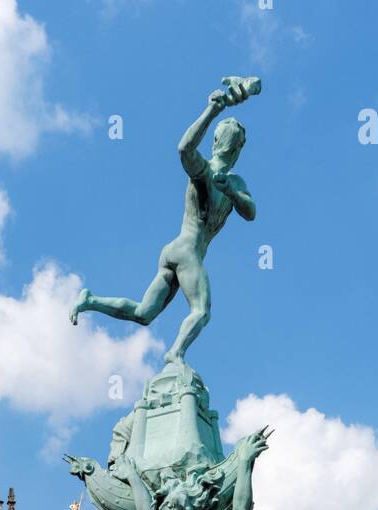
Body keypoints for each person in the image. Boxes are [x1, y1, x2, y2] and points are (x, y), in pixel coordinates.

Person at [69, 77, 260, 363]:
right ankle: (176, 353)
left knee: (144, 313)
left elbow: (250, 212)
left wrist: (230, 189)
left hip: (173, 250)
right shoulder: (205, 172)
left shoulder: (232, 182)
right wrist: (212, 111)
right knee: (201, 311)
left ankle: (90, 300)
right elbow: (184, 149)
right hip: (187, 252)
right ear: (234, 148)